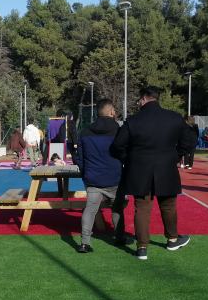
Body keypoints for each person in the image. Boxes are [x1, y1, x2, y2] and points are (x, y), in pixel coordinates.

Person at [110, 86, 195, 261]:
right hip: (166, 168)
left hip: (139, 170)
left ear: (143, 99)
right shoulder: (174, 118)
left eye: (139, 100)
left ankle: (142, 247)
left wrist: (129, 159)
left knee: (141, 208)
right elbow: (189, 141)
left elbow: (117, 146)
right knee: (169, 205)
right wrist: (175, 156)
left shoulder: (133, 121)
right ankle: (172, 239)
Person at [76, 99, 125, 253]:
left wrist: (85, 174)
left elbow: (79, 158)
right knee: (117, 208)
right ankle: (119, 237)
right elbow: (125, 154)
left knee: (90, 210)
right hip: (115, 178)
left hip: (93, 179)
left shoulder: (85, 131)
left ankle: (85, 242)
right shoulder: (119, 131)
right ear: (111, 112)